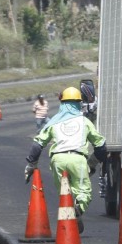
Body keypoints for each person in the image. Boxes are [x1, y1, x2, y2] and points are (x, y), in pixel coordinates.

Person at [23, 86, 107, 233]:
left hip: (58, 160)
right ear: (79, 103)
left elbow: (37, 144)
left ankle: (67, 220)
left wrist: (31, 165)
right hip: (78, 159)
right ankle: (77, 210)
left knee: (64, 193)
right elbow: (101, 145)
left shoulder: (53, 122)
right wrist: (92, 163)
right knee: (83, 192)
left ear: (62, 103)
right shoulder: (85, 122)